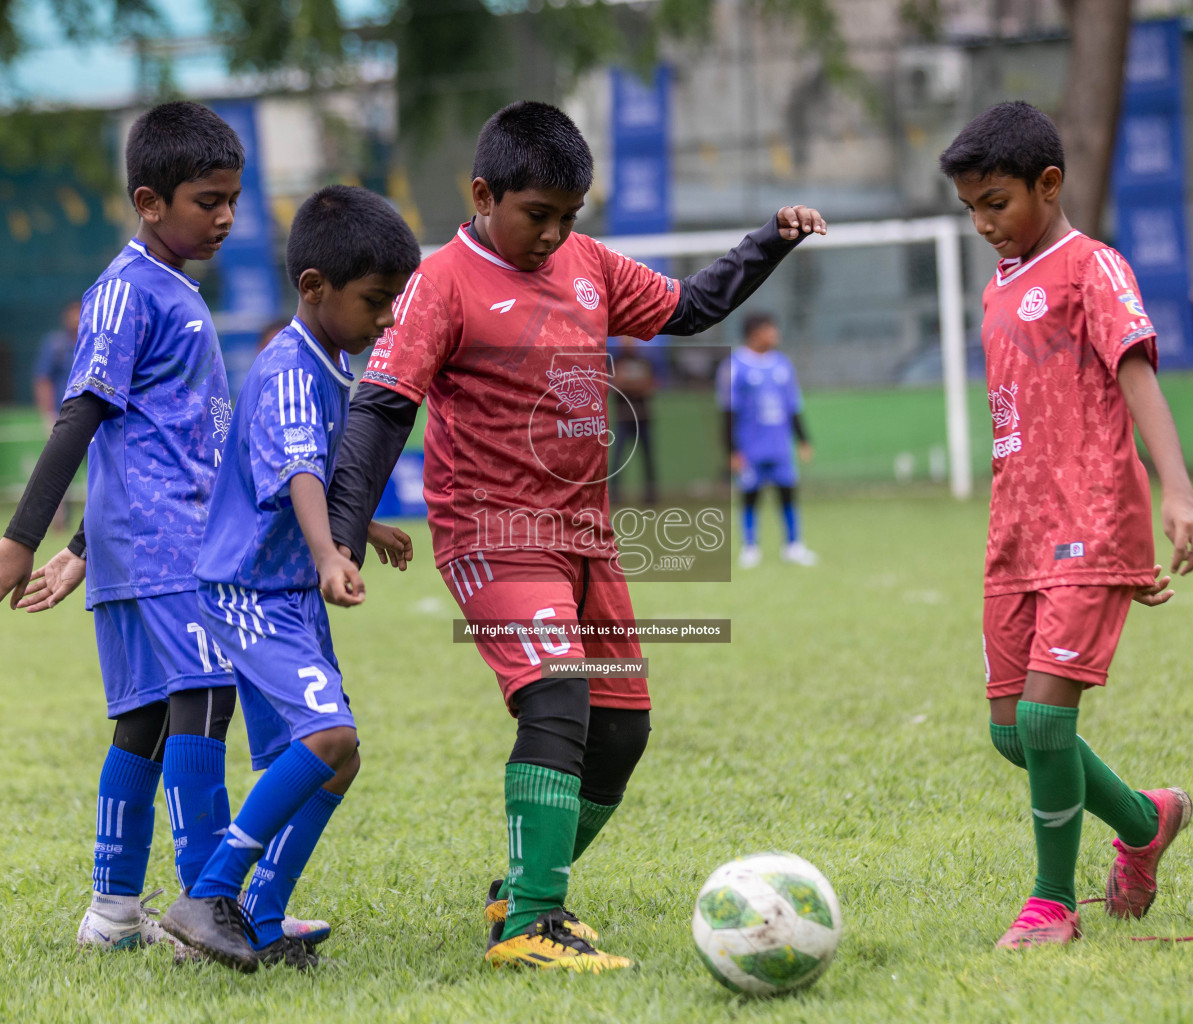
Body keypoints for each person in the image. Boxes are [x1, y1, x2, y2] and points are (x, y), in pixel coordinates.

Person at [324, 100, 826, 972]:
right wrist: (338, 534)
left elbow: (693, 307)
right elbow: (380, 411)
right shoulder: (440, 283)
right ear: (483, 194)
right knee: (558, 696)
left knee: (622, 730)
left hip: (586, 537)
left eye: (569, 216)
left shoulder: (588, 262)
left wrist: (768, 241)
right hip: (493, 532)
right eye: (537, 215)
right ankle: (530, 924)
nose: (555, 235)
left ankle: (521, 888)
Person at [0, 101, 249, 953]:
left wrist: (85, 550)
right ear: (149, 200)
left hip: (143, 543)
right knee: (205, 702)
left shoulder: (168, 288)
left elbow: (146, 439)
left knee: (146, 720)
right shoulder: (130, 289)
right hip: (173, 548)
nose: (227, 216)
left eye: (233, 198)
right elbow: (82, 416)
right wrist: (21, 535)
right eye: (208, 200)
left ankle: (112, 911)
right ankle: (207, 909)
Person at [939, 101, 1193, 948]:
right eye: (972, 209)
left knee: (1047, 723)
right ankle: (1144, 821)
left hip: (1089, 520)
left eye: (996, 203)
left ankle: (1050, 904)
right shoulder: (998, 286)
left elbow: (1138, 379)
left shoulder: (1092, 268)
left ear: (1048, 185)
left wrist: (1178, 494)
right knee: (1010, 733)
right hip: (1014, 532)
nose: (984, 224)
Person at [159, 186, 418, 972]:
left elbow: (305, 467)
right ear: (314, 287)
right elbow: (301, 470)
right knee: (329, 736)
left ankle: (259, 920)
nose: (385, 321)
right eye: (376, 302)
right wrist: (331, 552)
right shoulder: (286, 369)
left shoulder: (324, 361)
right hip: (251, 592)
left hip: (287, 593)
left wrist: (361, 529)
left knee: (338, 755)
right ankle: (209, 897)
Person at [720, 312, 815, 567]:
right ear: (755, 333)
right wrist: (731, 450)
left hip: (780, 446)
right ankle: (750, 548)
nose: (775, 335)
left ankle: (793, 545)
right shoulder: (734, 366)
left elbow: (793, 405)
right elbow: (727, 412)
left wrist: (803, 440)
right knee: (750, 496)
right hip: (750, 448)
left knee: (788, 494)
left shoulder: (782, 364)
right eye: (769, 330)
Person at [32, 302, 83, 532]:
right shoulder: (56, 345)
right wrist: (47, 416)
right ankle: (57, 521)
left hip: (96, 419)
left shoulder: (95, 341)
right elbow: (43, 380)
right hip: (64, 418)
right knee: (57, 470)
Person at [608, 337, 657, 506]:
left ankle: (651, 495)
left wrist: (629, 383)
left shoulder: (644, 361)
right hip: (623, 418)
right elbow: (617, 383)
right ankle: (613, 495)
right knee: (617, 459)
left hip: (643, 417)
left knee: (648, 459)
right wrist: (636, 384)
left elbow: (649, 385)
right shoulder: (615, 361)